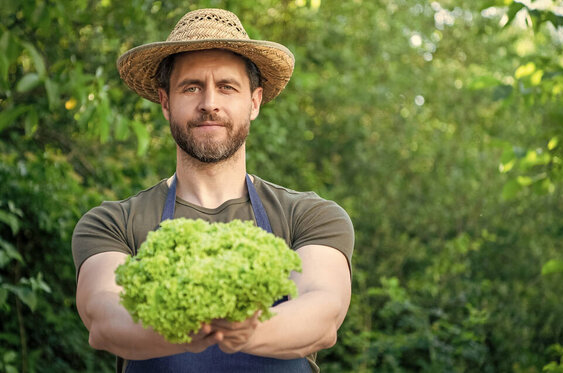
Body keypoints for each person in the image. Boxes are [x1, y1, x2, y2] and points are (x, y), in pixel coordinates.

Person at [72, 8, 354, 373]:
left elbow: (323, 313)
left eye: (227, 86)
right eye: (191, 87)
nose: (209, 103)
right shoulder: (115, 223)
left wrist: (238, 333)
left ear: (254, 102)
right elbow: (103, 317)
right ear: (165, 102)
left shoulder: (310, 216)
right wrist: (180, 331)